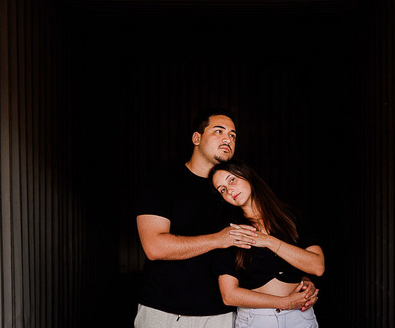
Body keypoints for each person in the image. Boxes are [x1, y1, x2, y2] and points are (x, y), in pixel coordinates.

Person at [134, 110, 319, 328]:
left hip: (221, 315)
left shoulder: (237, 195)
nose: (227, 139)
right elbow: (154, 247)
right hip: (166, 310)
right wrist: (218, 239)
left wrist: (299, 281)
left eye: (233, 135)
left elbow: (262, 249)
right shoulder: (163, 183)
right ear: (196, 138)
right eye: (218, 131)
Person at [208, 160, 325, 328]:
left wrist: (268, 241)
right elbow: (229, 295)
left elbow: (317, 266)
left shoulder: (290, 217)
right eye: (222, 190)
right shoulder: (231, 232)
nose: (229, 190)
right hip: (257, 319)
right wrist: (285, 302)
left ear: (247, 176)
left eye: (231, 180)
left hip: (300, 316)